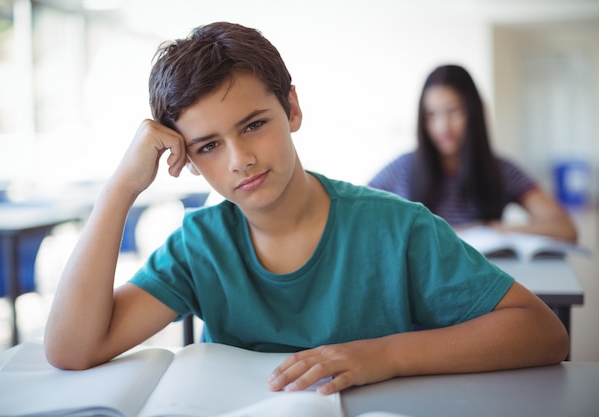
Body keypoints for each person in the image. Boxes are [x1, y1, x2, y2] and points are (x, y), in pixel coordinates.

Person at [44, 23, 569, 396]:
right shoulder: (199, 246)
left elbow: (543, 333)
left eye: (254, 124)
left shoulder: (398, 228)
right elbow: (72, 349)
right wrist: (120, 189)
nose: (240, 158)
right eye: (208, 146)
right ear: (187, 159)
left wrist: (382, 355)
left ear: (292, 108)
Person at [368, 64, 577, 243]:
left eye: (453, 111)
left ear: (473, 111)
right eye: (431, 114)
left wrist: (488, 229)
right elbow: (353, 217)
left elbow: (565, 228)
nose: (443, 127)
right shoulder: (402, 168)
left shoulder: (502, 171)